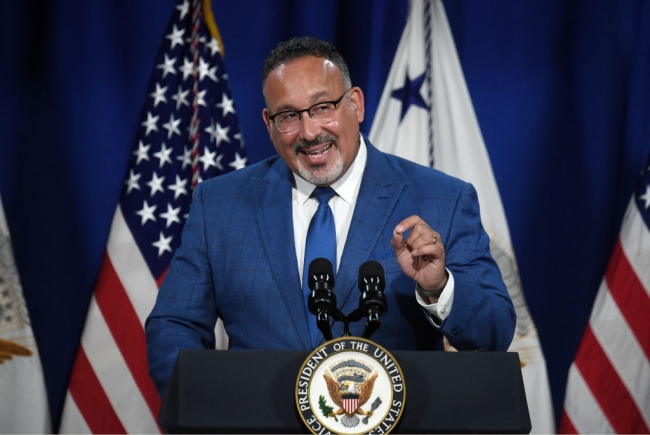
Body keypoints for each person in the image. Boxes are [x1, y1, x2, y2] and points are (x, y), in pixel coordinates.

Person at [145, 36, 515, 398]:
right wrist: (208, 411)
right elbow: (174, 325)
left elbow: (494, 332)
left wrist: (438, 288)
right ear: (268, 123)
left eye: (323, 107)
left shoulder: (442, 198)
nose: (309, 132)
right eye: (288, 115)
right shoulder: (220, 205)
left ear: (355, 104)